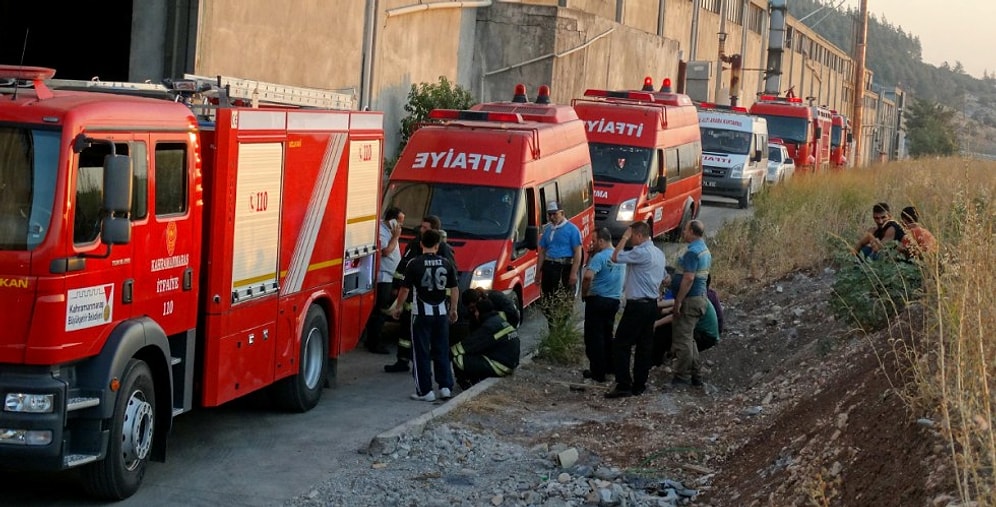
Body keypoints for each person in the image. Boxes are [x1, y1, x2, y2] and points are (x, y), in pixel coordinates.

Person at [389, 229, 459, 402]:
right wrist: (453, 309)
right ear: (437, 246)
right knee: (442, 350)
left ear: (421, 244)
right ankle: (445, 387)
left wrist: (398, 307)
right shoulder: (445, 263)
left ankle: (425, 391)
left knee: (421, 352)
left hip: (421, 313)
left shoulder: (414, 263)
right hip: (441, 313)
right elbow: (454, 288)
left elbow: (405, 289)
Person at [605, 221, 665, 398]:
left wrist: (623, 238)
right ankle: (640, 384)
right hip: (652, 304)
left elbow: (615, 257)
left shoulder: (641, 252)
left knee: (621, 343)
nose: (630, 239)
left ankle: (623, 383)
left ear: (639, 235)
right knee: (644, 346)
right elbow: (665, 278)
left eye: (631, 236)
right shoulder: (659, 253)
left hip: (637, 305)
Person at [668, 220, 712, 388]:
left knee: (682, 340)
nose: (683, 232)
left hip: (690, 300)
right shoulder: (704, 250)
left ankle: (682, 377)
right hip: (699, 298)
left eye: (685, 230)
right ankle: (695, 375)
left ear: (693, 232)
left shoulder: (693, 252)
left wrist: (678, 301)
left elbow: (689, 278)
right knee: (689, 339)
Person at [581, 227, 624, 383]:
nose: (592, 244)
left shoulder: (600, 257)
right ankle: (609, 368)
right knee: (607, 334)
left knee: (594, 338)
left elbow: (587, 277)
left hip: (598, 300)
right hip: (614, 300)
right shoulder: (619, 255)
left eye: (593, 241)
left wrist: (584, 293)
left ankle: (597, 372)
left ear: (601, 240)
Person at [450, 298, 521, 389]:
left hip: (501, 366)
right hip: (510, 363)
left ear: (481, 312)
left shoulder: (489, 327)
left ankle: (467, 383)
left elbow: (468, 345)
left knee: (459, 358)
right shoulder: (498, 319)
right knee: (477, 354)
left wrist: (447, 354)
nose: (475, 314)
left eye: (476, 311)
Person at [363, 206, 404, 354]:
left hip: (390, 275)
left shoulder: (391, 231)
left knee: (383, 309)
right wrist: (395, 237)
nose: (401, 226)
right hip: (383, 276)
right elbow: (386, 251)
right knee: (380, 311)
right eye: (399, 222)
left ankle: (371, 339)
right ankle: (374, 342)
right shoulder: (382, 232)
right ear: (392, 221)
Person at [536, 201, 583, 319]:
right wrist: (537, 273)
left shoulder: (572, 230)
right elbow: (542, 252)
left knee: (563, 299)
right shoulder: (548, 230)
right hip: (549, 265)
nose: (552, 217)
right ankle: (551, 323)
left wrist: (574, 273)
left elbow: (578, 252)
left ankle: (562, 326)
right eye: (550, 215)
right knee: (547, 298)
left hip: (564, 266)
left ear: (562, 213)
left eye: (555, 214)